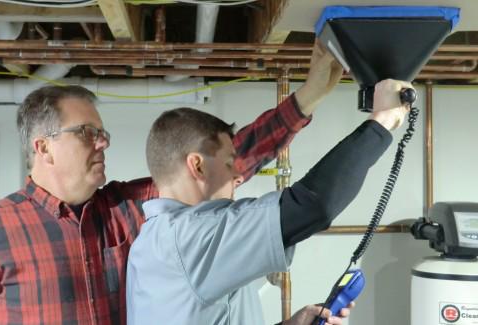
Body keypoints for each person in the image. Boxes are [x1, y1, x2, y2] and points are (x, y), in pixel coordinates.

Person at [0, 42, 343, 324]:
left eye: (103, 132)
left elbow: (221, 162)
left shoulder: (126, 210)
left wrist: (306, 98)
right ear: (44, 147)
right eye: (87, 132)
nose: (104, 141)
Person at [126, 78, 413, 325]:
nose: (239, 176)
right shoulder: (190, 238)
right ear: (197, 166)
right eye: (229, 163)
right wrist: (383, 121)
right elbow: (313, 205)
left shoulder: (157, 241)